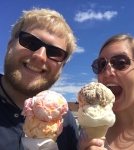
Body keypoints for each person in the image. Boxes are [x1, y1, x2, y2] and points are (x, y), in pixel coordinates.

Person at [0, 8, 78, 150]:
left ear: (62, 66)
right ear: (10, 45)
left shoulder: (66, 121)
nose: (40, 56)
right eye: (30, 42)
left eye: (55, 52)